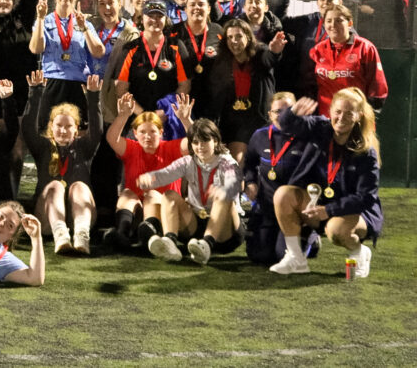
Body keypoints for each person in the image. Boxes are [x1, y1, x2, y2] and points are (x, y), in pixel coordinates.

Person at [268, 90, 382, 277]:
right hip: (320, 203)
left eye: (348, 113)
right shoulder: (319, 127)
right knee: (283, 194)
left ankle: (359, 252)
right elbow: (287, 124)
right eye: (337, 111)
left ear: (358, 116)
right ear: (330, 111)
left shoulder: (366, 151)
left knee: (335, 230)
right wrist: (293, 110)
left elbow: (366, 197)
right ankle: (296, 258)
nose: (341, 118)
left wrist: (328, 211)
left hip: (354, 211)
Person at [137, 119, 244, 265]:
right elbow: (166, 173)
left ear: (216, 141)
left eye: (205, 141)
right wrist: (150, 178)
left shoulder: (227, 162)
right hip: (196, 226)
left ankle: (207, 244)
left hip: (226, 232)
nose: (200, 147)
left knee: (224, 197)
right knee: (169, 195)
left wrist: (224, 190)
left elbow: (237, 182)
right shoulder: (188, 161)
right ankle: (170, 242)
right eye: (195, 142)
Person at [22, 71, 103, 255]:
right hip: (47, 221)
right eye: (59, 126)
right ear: (51, 127)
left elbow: (97, 130)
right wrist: (35, 93)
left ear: (76, 129)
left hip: (80, 218)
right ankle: (61, 236)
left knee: (79, 187)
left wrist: (93, 97)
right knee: (55, 186)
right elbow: (28, 129)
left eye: (68, 126)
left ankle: (82, 237)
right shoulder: (42, 147)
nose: (63, 130)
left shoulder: (84, 147)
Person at [102, 92, 192, 250]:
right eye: (142, 132)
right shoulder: (132, 148)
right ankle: (122, 234)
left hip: (166, 215)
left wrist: (185, 120)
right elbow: (112, 139)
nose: (148, 136)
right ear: (135, 134)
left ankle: (150, 233)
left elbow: (196, 142)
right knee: (127, 193)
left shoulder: (171, 148)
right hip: (136, 213)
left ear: (161, 133)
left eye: (152, 132)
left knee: (152, 194)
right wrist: (123, 116)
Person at [242, 91, 321, 265]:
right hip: (267, 208)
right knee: (259, 256)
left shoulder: (308, 137)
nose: (283, 115)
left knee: (282, 255)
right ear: (269, 114)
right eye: (277, 111)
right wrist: (250, 182)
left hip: (294, 210)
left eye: (289, 111)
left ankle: (310, 235)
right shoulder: (260, 136)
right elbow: (249, 164)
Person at [209, 19, 286, 163]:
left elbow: (268, 60)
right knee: (237, 160)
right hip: (233, 122)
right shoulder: (221, 62)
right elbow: (217, 95)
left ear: (248, 37)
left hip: (258, 118)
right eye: (230, 37)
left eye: (239, 36)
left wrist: (274, 52)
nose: (234, 41)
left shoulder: (260, 53)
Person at [29, 0, 105, 119]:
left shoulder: (83, 21)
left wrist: (84, 29)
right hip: (52, 82)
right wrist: (40, 18)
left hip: (78, 84)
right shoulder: (45, 20)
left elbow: (99, 52)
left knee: (79, 133)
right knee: (49, 133)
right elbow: (36, 49)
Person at [114, 0, 190, 119]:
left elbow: (185, 85)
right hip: (138, 118)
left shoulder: (176, 46)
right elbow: (121, 88)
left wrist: (165, 113)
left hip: (169, 117)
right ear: (142, 18)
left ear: (166, 19)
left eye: (159, 16)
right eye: (150, 15)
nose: (155, 20)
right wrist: (144, 115)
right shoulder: (130, 48)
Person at [309, 4, 388, 116]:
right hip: (325, 119)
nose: (333, 25)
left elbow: (377, 87)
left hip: (355, 119)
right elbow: (310, 85)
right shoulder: (317, 50)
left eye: (339, 21)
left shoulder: (365, 48)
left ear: (350, 23)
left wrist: (366, 116)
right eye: (329, 21)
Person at [167, 0, 222, 121]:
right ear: (185, 9)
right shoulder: (173, 33)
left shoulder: (218, 31)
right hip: (182, 97)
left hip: (211, 99)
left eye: (201, 4)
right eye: (192, 5)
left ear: (208, 9)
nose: (197, 8)